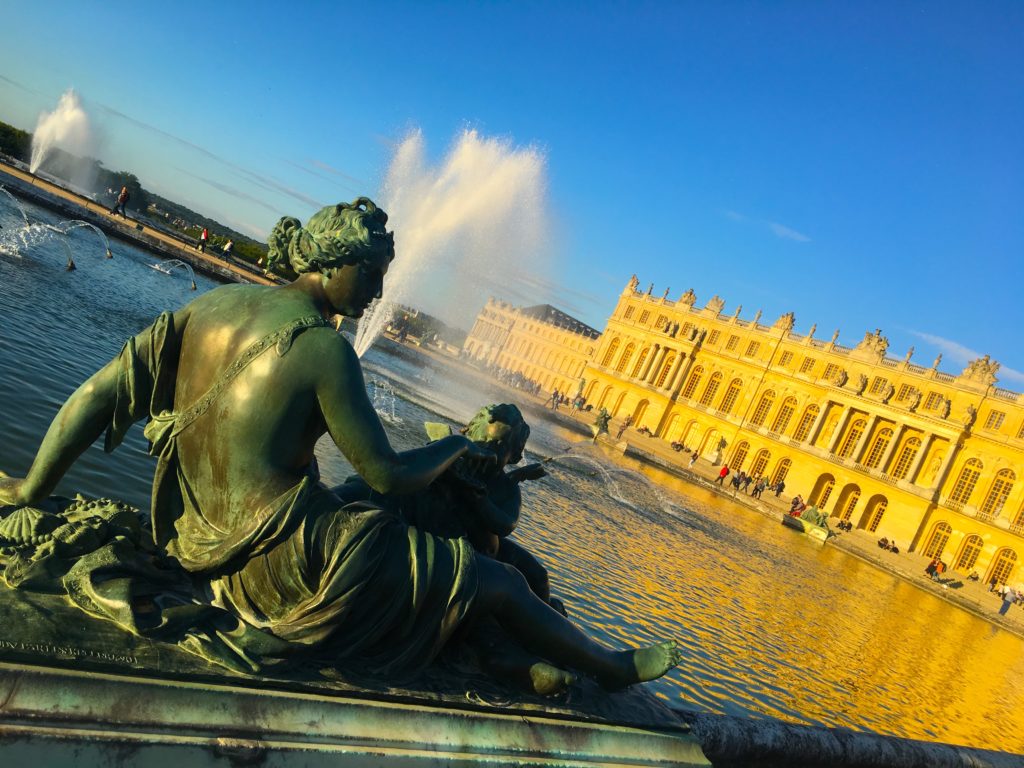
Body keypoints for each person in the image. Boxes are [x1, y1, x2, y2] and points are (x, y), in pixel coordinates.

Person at [0, 197, 679, 691]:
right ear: (335, 262)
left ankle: (508, 660)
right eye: (375, 270)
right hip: (278, 565)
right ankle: (612, 669)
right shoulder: (325, 349)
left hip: (188, 535)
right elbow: (385, 472)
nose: (383, 287)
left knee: (394, 530)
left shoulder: (208, 307)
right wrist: (456, 447)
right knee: (494, 578)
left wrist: (32, 493)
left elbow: (93, 398)